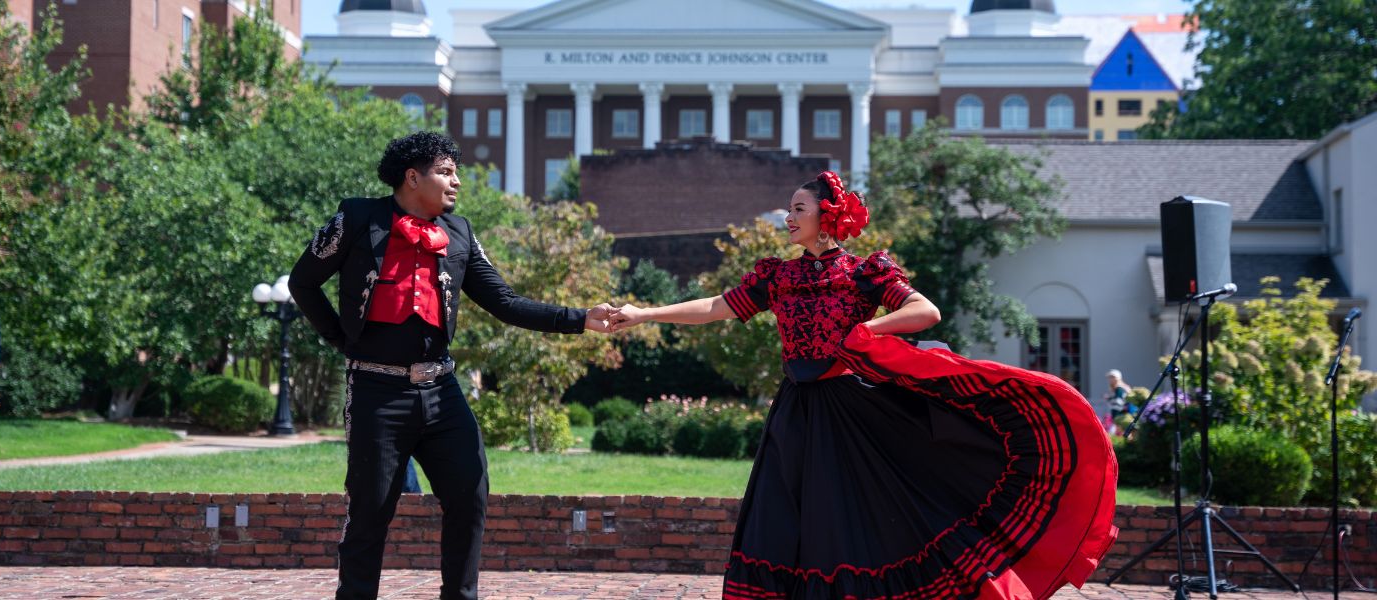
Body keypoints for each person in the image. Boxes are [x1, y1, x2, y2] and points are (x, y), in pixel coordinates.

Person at [609, 172, 1118, 599]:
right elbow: (717, 307)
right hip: (794, 412)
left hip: (850, 413)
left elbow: (925, 311)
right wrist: (641, 314)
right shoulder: (778, 277)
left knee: (850, 524)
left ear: (826, 215)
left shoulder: (862, 274)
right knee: (782, 520)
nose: (788, 217)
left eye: (798, 208)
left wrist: (866, 331)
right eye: (789, 208)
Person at [288, 131, 615, 600]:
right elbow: (303, 282)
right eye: (445, 172)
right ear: (412, 176)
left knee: (470, 495)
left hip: (441, 392)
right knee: (370, 513)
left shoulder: (459, 232)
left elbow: (505, 301)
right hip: (377, 394)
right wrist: (342, 340)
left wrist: (581, 319)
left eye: (455, 171)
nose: (456, 181)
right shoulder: (358, 217)